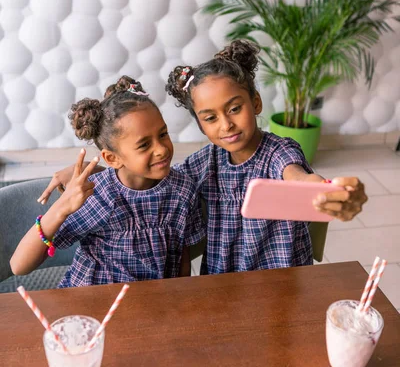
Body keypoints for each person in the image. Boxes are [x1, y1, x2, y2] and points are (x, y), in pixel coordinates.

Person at [37, 41, 367, 274]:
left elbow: (299, 178)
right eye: (210, 117)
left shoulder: (279, 152)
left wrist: (330, 190)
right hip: (222, 289)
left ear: (256, 102)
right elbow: (154, 173)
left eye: (235, 108)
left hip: (280, 285)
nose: (226, 125)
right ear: (200, 123)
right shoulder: (205, 162)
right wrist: (94, 169)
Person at [10, 76, 205, 286]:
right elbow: (19, 266)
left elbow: (182, 252)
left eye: (163, 134)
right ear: (112, 158)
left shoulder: (182, 189)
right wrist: (61, 207)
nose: (162, 149)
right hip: (95, 303)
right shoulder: (98, 195)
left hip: (155, 304)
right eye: (144, 145)